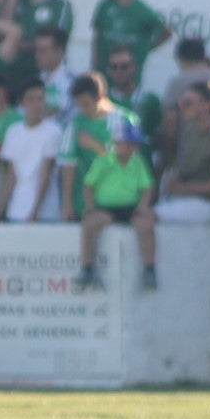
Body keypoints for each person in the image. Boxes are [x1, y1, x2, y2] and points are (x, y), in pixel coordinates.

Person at [74, 119, 157, 291]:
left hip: (131, 208)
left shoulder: (137, 162)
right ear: (119, 143)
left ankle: (149, 270)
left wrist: (143, 205)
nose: (134, 148)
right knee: (89, 226)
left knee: (147, 227)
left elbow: (147, 187)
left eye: (135, 145)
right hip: (106, 209)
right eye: (130, 144)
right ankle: (87, 269)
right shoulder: (103, 161)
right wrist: (90, 206)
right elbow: (88, 186)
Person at [59, 73, 139, 222]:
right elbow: (68, 166)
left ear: (101, 96)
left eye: (86, 104)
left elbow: (130, 164)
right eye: (78, 105)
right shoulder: (75, 124)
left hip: (121, 202)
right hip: (84, 204)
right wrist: (67, 204)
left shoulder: (126, 120)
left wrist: (95, 146)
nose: (83, 110)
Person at [155, 80, 210, 224]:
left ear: (206, 105)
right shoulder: (189, 132)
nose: (182, 107)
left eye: (188, 103)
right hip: (184, 199)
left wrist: (184, 188)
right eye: (181, 102)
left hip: (208, 204)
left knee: (150, 218)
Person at [90, 0, 172, 82]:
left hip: (129, 83)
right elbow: (97, 39)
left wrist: (144, 49)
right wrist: (94, 71)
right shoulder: (104, 6)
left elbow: (166, 33)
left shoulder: (141, 10)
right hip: (103, 80)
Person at [0, 78, 63, 223]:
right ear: (22, 103)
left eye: (40, 99)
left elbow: (46, 174)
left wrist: (34, 212)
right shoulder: (13, 132)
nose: (37, 104)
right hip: (17, 210)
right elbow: (12, 175)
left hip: (46, 213)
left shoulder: (54, 131)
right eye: (31, 100)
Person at [160, 37, 210, 170]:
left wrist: (168, 159)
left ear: (180, 58)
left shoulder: (178, 83)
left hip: (189, 159)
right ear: (203, 56)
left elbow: (170, 125)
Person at [106, 44, 163, 169]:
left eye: (124, 67)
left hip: (141, 171)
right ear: (108, 70)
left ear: (134, 68)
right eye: (114, 67)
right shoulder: (103, 100)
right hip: (108, 172)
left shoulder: (149, 100)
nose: (119, 71)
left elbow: (160, 139)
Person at [34, 26, 75, 128]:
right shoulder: (34, 81)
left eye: (42, 51)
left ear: (59, 52)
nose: (37, 55)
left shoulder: (73, 82)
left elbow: (66, 113)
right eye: (36, 50)